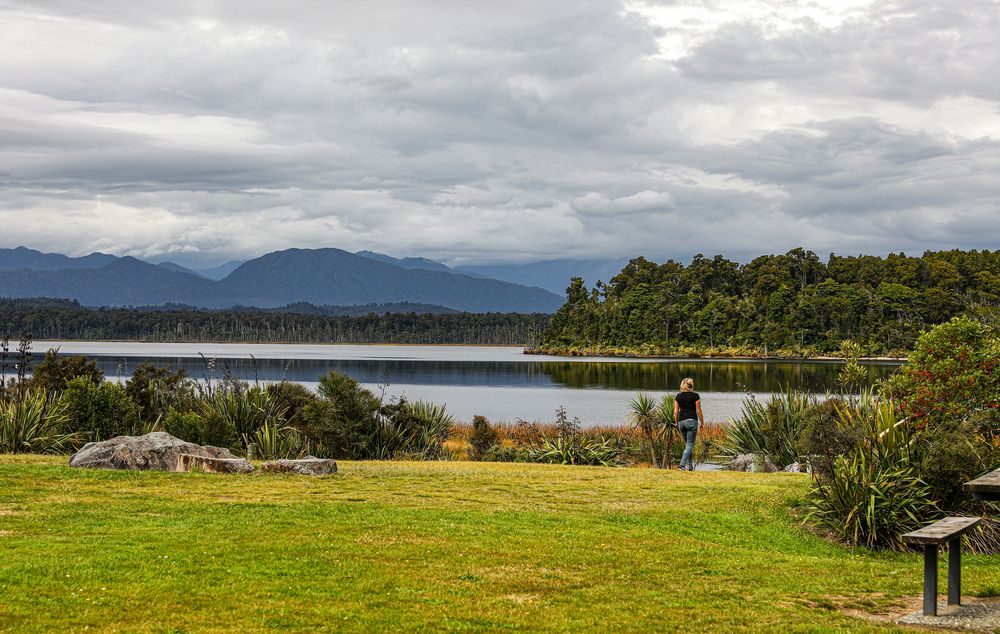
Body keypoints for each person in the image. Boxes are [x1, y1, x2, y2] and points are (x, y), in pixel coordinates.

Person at [673, 377, 703, 471]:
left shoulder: (678, 396)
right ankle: (682, 466)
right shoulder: (695, 396)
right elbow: (698, 411)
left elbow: (675, 411)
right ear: (691, 386)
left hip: (681, 421)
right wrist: (702, 422)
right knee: (690, 444)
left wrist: (676, 422)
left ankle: (690, 467)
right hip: (692, 421)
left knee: (687, 445)